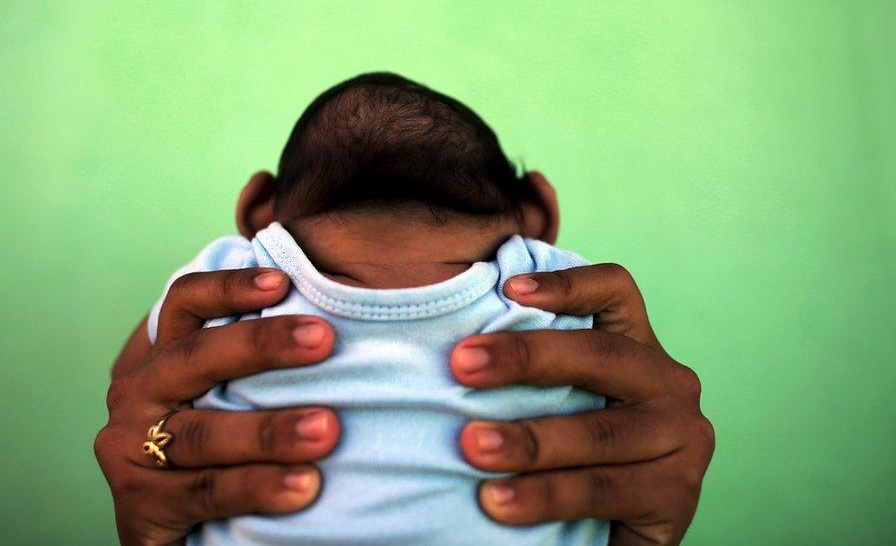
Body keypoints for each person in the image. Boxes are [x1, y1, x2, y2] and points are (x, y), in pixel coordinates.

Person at [95, 74, 715, 545]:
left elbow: (132, 388)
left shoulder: (230, 272)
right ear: (540, 214)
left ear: (260, 208)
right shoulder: (556, 285)